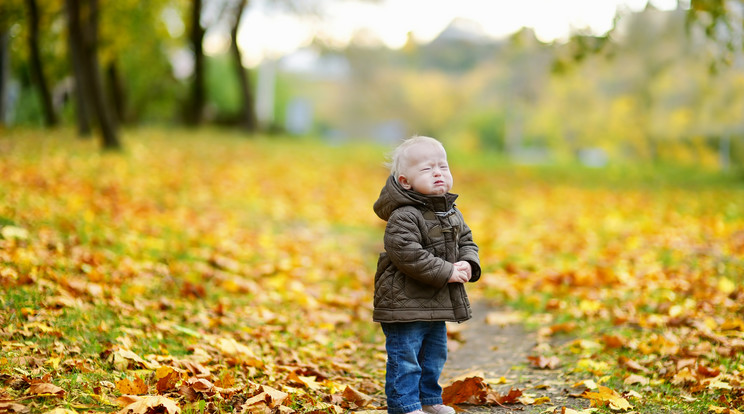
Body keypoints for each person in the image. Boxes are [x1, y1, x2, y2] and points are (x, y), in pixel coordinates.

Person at [373, 136, 481, 414]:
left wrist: (469, 262)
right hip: (404, 302)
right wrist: (446, 271)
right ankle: (405, 405)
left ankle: (428, 400)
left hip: (435, 300)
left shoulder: (451, 211)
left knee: (433, 356)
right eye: (426, 169)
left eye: (442, 167)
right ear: (405, 181)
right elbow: (407, 253)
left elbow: (467, 240)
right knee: (406, 357)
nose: (438, 173)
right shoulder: (404, 215)